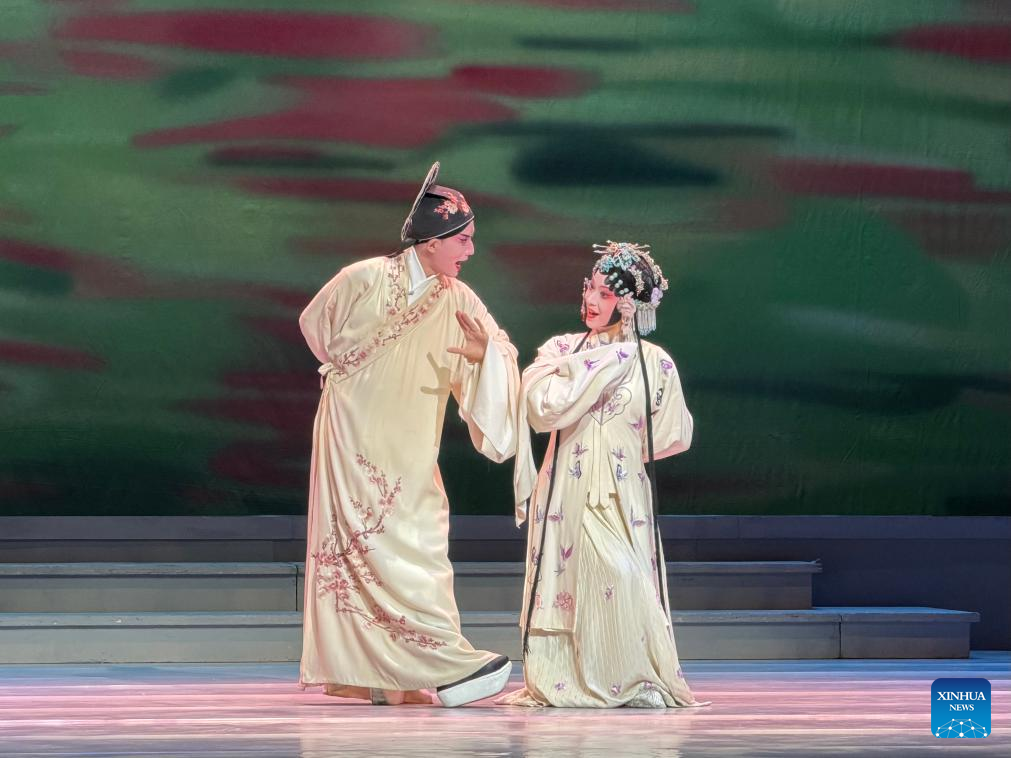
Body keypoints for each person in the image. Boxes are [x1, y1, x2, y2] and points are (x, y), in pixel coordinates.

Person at [298, 163, 518, 707]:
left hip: (410, 445)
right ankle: (398, 669)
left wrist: (482, 356)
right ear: (432, 240)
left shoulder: (459, 301)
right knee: (354, 547)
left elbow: (504, 354)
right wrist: (355, 379)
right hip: (351, 437)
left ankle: (430, 658)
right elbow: (316, 327)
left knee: (417, 540)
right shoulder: (362, 278)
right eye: (462, 239)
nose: (469, 250)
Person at [502, 241, 706, 708]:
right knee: (567, 574)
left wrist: (621, 454)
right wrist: (595, 367)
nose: (592, 301)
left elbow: (673, 434)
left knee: (624, 574)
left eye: (606, 295)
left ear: (630, 305)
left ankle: (633, 677)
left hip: (621, 489)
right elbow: (541, 409)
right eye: (590, 288)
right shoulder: (558, 351)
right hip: (565, 490)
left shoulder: (655, 362)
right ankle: (560, 679)